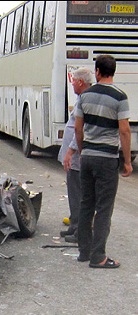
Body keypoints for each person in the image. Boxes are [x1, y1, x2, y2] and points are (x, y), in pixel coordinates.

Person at [74, 54, 132, 268]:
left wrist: (82, 151)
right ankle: (98, 256)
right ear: (113, 71)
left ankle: (84, 251)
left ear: (97, 72)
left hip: (88, 156)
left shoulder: (85, 96)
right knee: (104, 208)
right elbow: (124, 131)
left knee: (86, 203)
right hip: (107, 159)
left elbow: (78, 128)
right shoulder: (120, 97)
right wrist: (127, 161)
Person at [57, 67, 92, 243]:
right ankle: (74, 224)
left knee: (78, 192)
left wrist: (71, 151)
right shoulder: (80, 99)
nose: (71, 84)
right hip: (74, 156)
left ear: (80, 82)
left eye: (73, 81)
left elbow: (80, 129)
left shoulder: (85, 100)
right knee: (73, 191)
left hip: (77, 156)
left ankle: (79, 230)